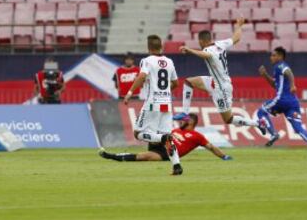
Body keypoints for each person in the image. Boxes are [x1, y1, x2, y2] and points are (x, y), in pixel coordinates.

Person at [173, 17, 267, 135]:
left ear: (201, 41)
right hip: (214, 81)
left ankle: (259, 123)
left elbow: (205, 55)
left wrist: (189, 50)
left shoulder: (208, 49)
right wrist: (239, 26)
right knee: (188, 82)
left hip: (222, 87)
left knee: (228, 119)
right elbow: (236, 38)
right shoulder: (220, 44)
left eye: (199, 42)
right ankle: (185, 114)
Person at [123, 35, 182, 175]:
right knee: (167, 135)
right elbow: (176, 83)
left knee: (138, 134)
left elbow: (142, 76)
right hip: (166, 103)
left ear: (148, 48)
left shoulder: (147, 61)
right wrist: (165, 91)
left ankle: (162, 138)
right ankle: (177, 166)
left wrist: (130, 93)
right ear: (161, 46)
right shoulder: (169, 61)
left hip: (152, 103)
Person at [257, 47, 307, 156]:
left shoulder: (280, 65)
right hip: (293, 103)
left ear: (280, 56)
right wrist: (265, 74)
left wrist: (293, 85)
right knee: (298, 127)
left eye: (274, 55)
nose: (271, 57)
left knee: (261, 111)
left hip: (281, 100)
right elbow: (275, 85)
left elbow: (289, 72)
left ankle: (273, 134)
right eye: (271, 55)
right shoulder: (277, 69)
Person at [99, 113, 233, 162]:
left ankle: (111, 156)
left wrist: (223, 156)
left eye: (185, 120)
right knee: (156, 130)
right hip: (161, 142)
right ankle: (142, 125)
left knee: (142, 157)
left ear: (191, 122)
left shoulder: (197, 136)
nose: (182, 121)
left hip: (167, 154)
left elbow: (210, 147)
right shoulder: (174, 130)